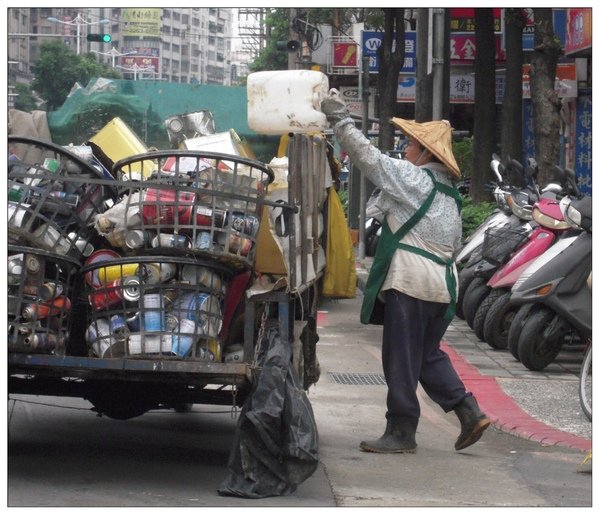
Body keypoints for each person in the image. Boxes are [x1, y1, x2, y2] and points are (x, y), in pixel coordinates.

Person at [320, 90, 490, 454]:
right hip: (443, 288)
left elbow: (369, 159)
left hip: (411, 283)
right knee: (426, 355)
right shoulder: (448, 192)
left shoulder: (414, 180)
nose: (405, 149)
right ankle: (469, 412)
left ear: (427, 154)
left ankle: (401, 431)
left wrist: (339, 118)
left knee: (400, 357)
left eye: (410, 144)